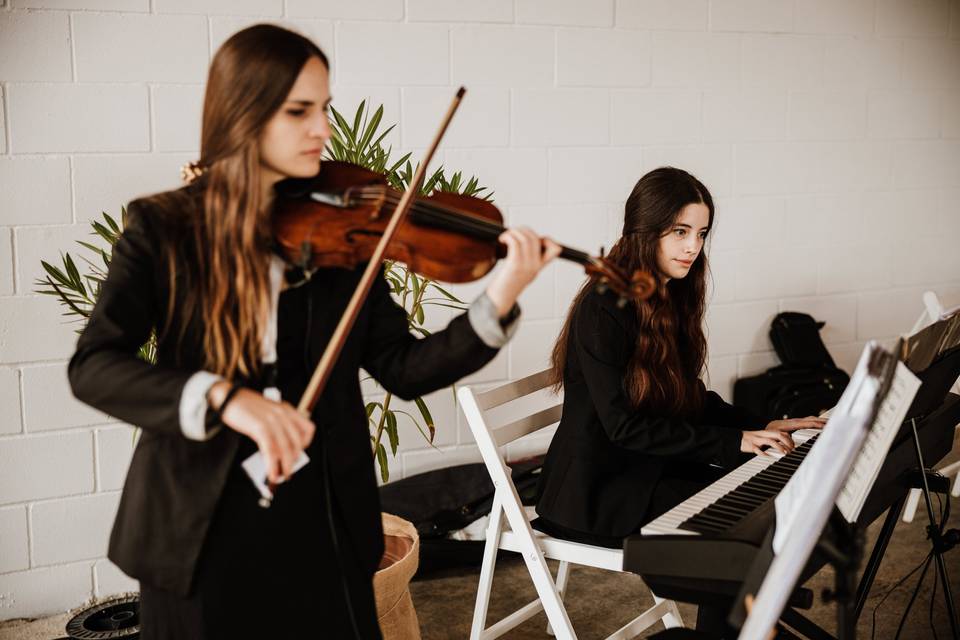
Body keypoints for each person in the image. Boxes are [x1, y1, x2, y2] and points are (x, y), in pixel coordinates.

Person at [68, 24, 560, 640]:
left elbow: (403, 369)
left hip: (324, 519)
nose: (322, 129)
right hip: (200, 527)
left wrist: (502, 294)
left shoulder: (346, 231)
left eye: (324, 108)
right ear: (242, 114)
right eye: (299, 110)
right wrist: (224, 398)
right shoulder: (165, 227)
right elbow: (94, 364)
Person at [534, 168, 823, 625]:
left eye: (701, 234)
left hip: (643, 466)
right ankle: (738, 621)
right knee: (732, 532)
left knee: (757, 502)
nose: (694, 247)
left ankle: (741, 620)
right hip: (597, 492)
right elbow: (622, 426)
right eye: (680, 232)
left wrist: (757, 426)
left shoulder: (671, 295)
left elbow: (687, 399)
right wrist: (732, 444)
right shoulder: (603, 307)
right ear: (644, 232)